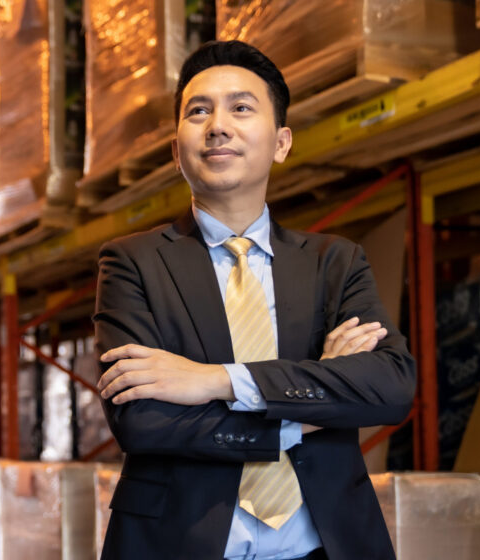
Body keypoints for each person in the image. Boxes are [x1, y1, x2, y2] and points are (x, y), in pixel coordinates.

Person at [93, 41, 416, 560]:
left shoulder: (335, 262)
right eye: (198, 111)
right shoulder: (133, 263)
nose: (218, 125)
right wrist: (312, 406)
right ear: (177, 150)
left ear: (282, 142)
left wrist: (215, 380)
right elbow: (143, 420)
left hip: (326, 547)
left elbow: (389, 388)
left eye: (241, 108)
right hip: (181, 545)